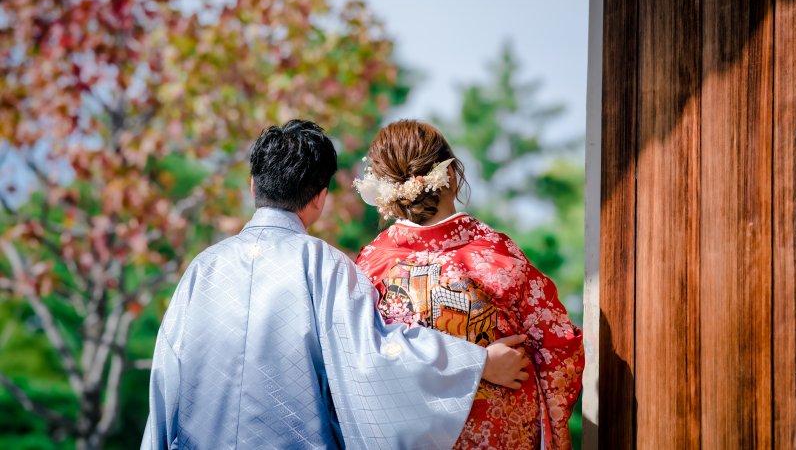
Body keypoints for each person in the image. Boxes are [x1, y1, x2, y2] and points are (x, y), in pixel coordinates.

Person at [140, 119, 530, 450]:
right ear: (320, 198)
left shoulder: (202, 268)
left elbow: (164, 379)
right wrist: (476, 364)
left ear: (254, 186)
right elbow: (376, 355)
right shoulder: (325, 266)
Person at [353, 120, 585, 450]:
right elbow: (560, 347)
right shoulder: (495, 254)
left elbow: (361, 361)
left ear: (385, 190)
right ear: (450, 175)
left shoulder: (371, 266)